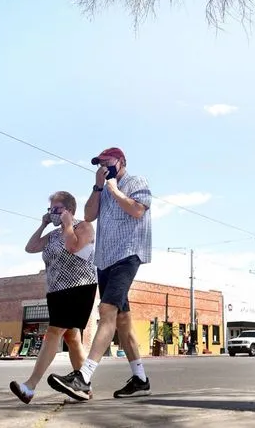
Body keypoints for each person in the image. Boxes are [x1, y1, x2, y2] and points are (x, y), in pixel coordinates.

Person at [47, 147, 153, 401]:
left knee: (106, 311)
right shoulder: (102, 188)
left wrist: (115, 188)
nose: (103, 166)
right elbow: (89, 215)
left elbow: (138, 210)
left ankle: (83, 378)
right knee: (123, 321)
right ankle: (140, 379)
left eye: (108, 162)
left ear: (121, 161)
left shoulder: (137, 181)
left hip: (128, 254)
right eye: (100, 163)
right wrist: (98, 187)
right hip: (105, 259)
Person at [9, 191, 97, 404]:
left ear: (69, 209)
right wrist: (43, 225)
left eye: (57, 209)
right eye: (50, 210)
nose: (53, 213)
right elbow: (30, 247)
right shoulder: (52, 235)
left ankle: (29, 386)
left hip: (79, 287)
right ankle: (84, 387)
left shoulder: (83, 226)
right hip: (56, 290)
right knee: (72, 338)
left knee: (54, 331)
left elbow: (73, 246)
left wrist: (67, 225)